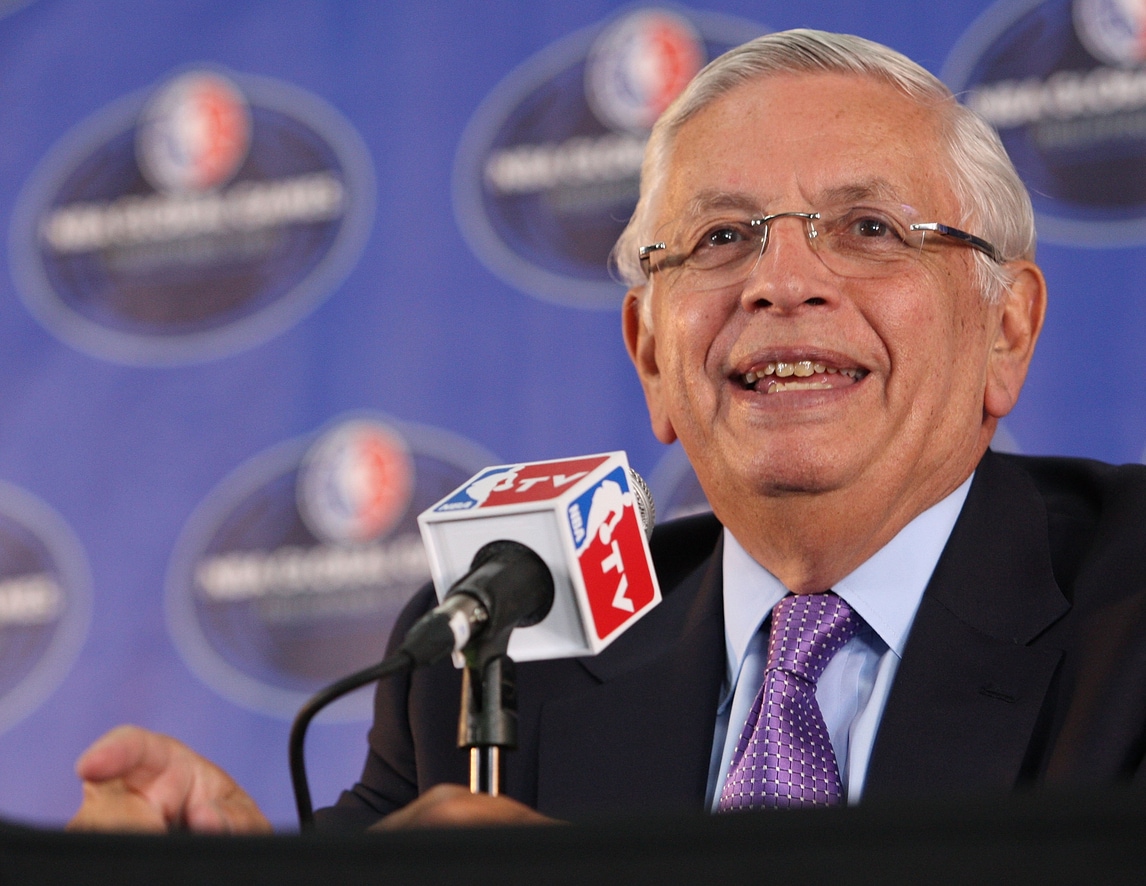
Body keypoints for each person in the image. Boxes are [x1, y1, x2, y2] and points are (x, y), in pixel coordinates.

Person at [68, 28, 1146, 833]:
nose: (782, 282)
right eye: (720, 238)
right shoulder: (496, 655)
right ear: (652, 357)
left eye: (868, 228)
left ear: (1006, 330)